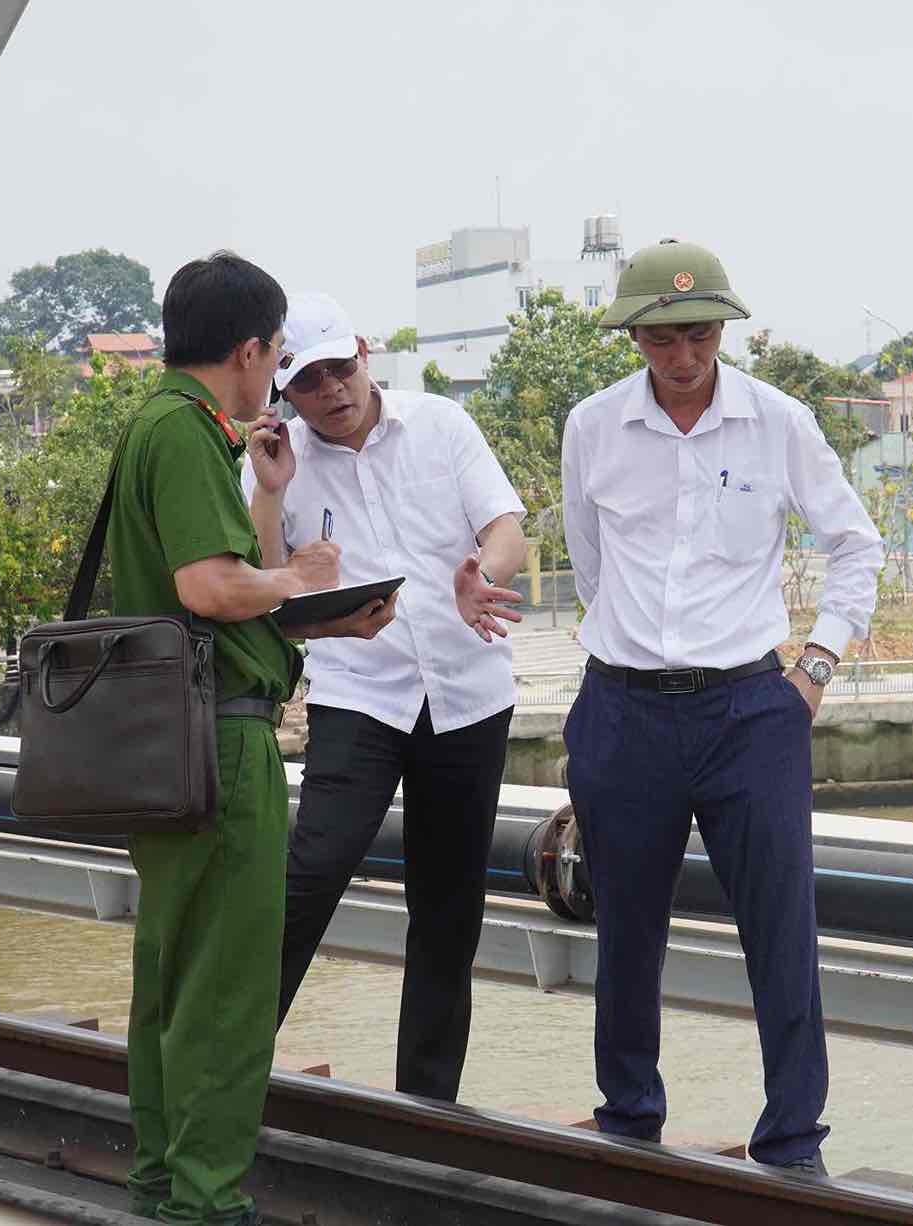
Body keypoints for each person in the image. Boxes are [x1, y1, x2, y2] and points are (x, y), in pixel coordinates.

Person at [560, 239, 884, 1175]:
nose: (683, 356)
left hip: (750, 710)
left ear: (722, 329)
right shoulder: (592, 427)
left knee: (780, 928)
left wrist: (814, 667)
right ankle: (628, 1124)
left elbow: (855, 544)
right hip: (622, 709)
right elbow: (590, 563)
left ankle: (792, 1142)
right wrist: (630, 649)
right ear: (634, 338)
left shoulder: (777, 423)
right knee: (625, 930)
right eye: (662, 339)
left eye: (699, 334)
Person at [110, 252, 393, 1224]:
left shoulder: (153, 425)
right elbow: (210, 587)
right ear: (248, 350)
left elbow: (222, 595)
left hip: (162, 740)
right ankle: (206, 1200)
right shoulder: (188, 433)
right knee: (229, 988)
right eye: (276, 353)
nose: (276, 372)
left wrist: (271, 510)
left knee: (172, 975)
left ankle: (161, 1181)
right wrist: (303, 579)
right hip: (221, 746)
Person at [240, 292, 528, 1101]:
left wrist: (483, 575)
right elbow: (263, 587)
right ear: (284, 392)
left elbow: (505, 528)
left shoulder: (440, 424)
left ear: (363, 353)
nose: (331, 390)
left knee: (448, 907)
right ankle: (227, 1066)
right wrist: (270, 493)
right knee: (310, 873)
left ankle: (424, 1107)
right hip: (357, 693)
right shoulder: (273, 463)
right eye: (307, 381)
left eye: (341, 368)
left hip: (466, 694)